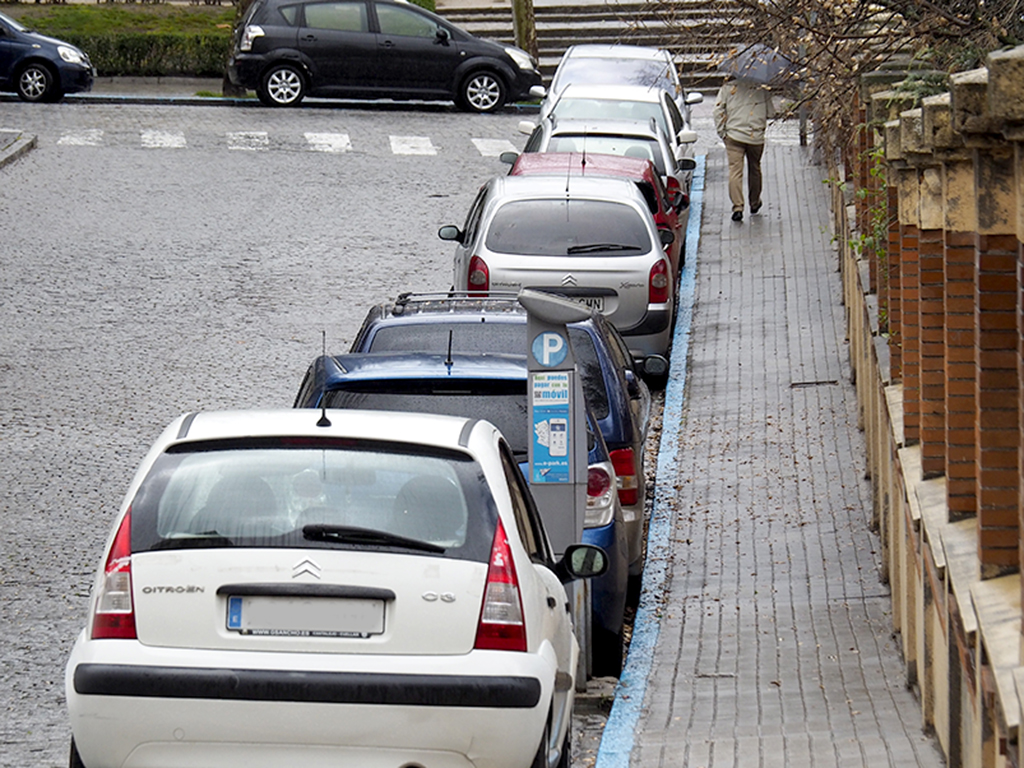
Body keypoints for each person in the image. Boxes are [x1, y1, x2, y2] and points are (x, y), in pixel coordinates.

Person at [713, 77, 775, 221]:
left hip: (734, 136)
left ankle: (738, 207)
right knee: (755, 168)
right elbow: (771, 112)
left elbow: (717, 111)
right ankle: (754, 202)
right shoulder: (761, 87)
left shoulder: (728, 88)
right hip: (756, 136)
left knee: (735, 171)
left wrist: (722, 132)